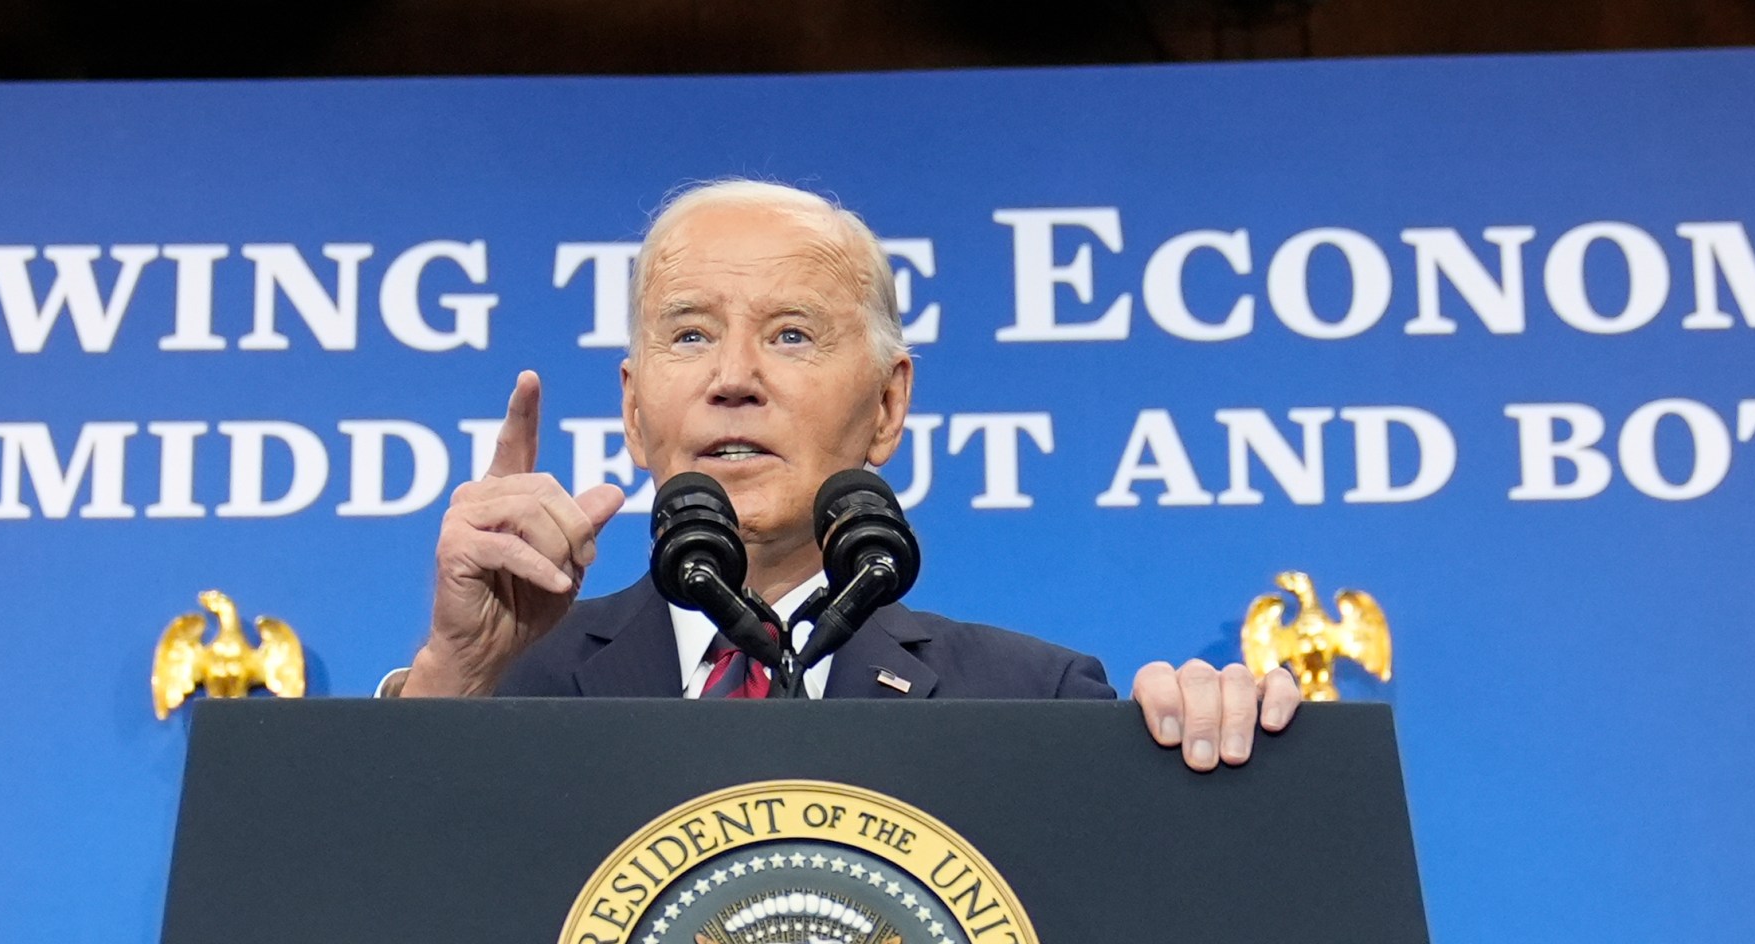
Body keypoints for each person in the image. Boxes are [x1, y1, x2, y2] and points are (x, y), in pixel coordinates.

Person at [387, 178, 1300, 768]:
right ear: (633, 408)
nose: (732, 379)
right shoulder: (504, 691)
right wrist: (453, 676)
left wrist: (1211, 761)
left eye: (791, 335)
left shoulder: (1030, 708)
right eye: (691, 334)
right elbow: (354, 933)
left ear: (887, 406)